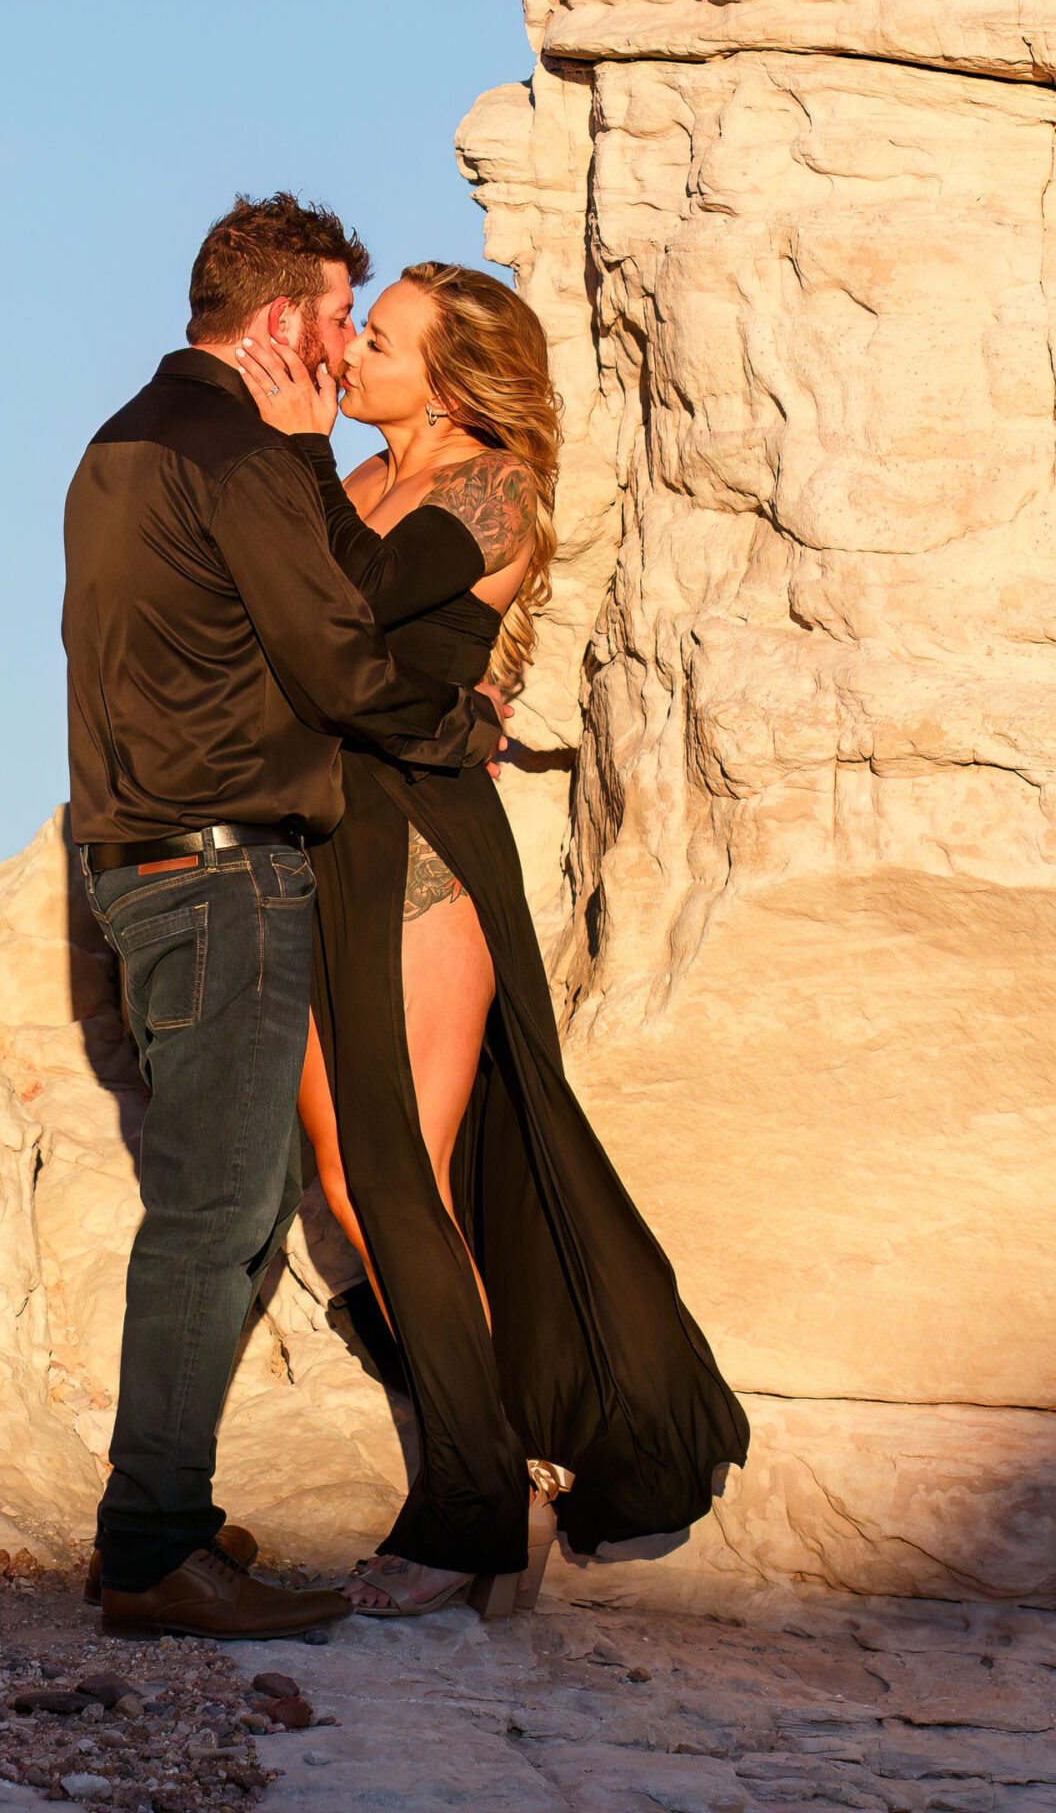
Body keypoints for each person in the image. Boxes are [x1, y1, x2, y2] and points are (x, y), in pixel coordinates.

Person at [232, 261, 750, 1619]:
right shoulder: (352, 487)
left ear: (452, 379)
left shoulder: (493, 488)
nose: (350, 360)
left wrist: (289, 456)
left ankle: (469, 1513)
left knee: (399, 1174)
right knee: (350, 1181)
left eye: (379, 342)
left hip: (419, 851)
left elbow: (347, 612)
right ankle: (487, 1476)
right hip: (321, 840)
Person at [64, 197, 504, 1639]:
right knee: (218, 1214)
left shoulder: (122, 439)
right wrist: (452, 720)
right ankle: (150, 1552)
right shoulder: (249, 454)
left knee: (232, 1207)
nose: (343, 350)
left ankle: (170, 1514)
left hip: (135, 861)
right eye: (336, 321)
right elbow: (336, 660)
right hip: (227, 870)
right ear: (277, 326)